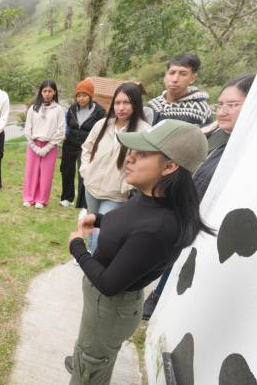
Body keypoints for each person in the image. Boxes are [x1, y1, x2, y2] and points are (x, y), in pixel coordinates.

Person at [64, 119, 212, 385]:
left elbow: (109, 284)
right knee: (90, 355)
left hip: (109, 308)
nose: (129, 158)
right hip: (103, 310)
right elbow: (128, 224)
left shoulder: (158, 228)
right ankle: (87, 359)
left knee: (91, 367)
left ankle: (88, 365)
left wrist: (77, 248)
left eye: (142, 154)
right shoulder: (148, 196)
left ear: (169, 166)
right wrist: (99, 220)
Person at [142, 74, 255, 320]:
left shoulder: (249, 151)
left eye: (232, 105)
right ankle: (157, 297)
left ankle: (158, 300)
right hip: (191, 218)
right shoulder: (222, 143)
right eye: (221, 105)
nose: (223, 111)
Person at [79, 82, 150, 254]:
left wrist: (127, 185)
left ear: (136, 103)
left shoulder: (144, 131)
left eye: (127, 102)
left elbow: (146, 163)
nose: (121, 108)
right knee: (91, 224)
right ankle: (90, 252)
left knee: (103, 233)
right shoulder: (103, 124)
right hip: (92, 187)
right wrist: (86, 171)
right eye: (117, 103)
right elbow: (87, 148)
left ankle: (94, 265)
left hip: (116, 194)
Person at [60, 78, 106, 209]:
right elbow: (67, 124)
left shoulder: (99, 111)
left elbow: (103, 129)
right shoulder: (72, 109)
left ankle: (83, 201)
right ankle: (66, 198)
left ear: (90, 96)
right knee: (66, 170)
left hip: (87, 146)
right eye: (78, 96)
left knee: (83, 172)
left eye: (84, 95)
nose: (81, 98)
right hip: (70, 143)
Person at [22, 79, 65, 208]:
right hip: (33, 145)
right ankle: (29, 198)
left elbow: (61, 131)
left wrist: (47, 148)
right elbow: (27, 129)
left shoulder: (58, 109)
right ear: (41, 92)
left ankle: (41, 199)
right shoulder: (33, 108)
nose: (47, 94)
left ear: (54, 92)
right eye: (44, 91)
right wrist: (34, 146)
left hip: (50, 146)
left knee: (46, 174)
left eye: (50, 91)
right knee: (31, 172)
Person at [145, 53, 212, 127]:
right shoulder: (152, 105)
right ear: (165, 75)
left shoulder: (200, 109)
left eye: (183, 74)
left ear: (193, 78)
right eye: (172, 73)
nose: (175, 79)